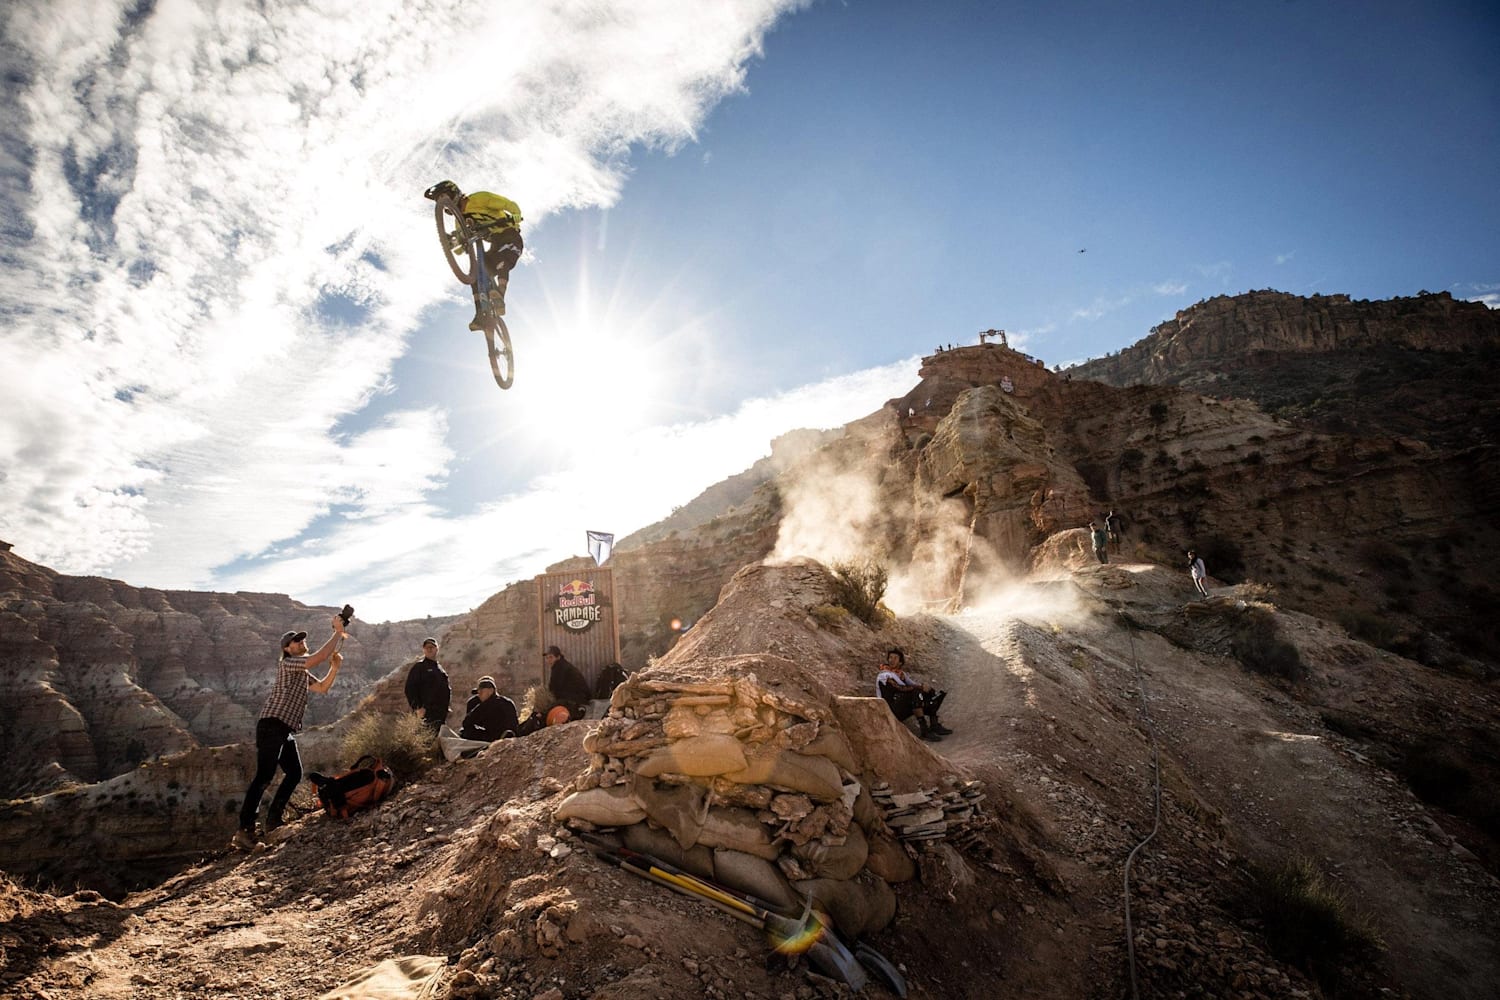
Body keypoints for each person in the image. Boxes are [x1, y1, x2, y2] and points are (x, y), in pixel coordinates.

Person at [235, 616, 347, 849]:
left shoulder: (301, 672)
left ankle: (273, 821)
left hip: (283, 728)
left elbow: (323, 688)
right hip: (271, 725)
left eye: (301, 639)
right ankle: (244, 830)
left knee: (294, 773)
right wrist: (338, 632)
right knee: (264, 776)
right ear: (287, 649)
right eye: (295, 641)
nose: (300, 642)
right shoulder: (289, 663)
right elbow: (318, 657)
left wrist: (334, 669)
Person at [426, 179, 524, 329]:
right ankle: (480, 314)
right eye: (439, 200)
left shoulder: (478, 199)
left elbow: (508, 204)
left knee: (501, 260)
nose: (443, 202)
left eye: (444, 196)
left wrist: (516, 215)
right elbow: (461, 243)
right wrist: (451, 243)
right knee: (477, 274)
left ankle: (499, 297)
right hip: (494, 243)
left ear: (454, 193)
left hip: (509, 235)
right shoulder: (460, 220)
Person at [875, 647, 952, 742]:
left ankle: (934, 724)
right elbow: (900, 688)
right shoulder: (884, 675)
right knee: (915, 693)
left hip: (900, 706)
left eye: (895, 658)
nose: (892, 660)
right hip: (891, 709)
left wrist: (926, 688)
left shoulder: (901, 674)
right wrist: (920, 688)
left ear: (900, 662)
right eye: (890, 657)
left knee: (929, 692)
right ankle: (924, 730)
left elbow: (913, 684)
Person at [404, 638, 451, 735]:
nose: (429, 649)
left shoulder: (439, 669)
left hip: (440, 714)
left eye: (432, 647)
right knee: (424, 740)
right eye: (427, 647)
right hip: (426, 713)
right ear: (423, 650)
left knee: (436, 743)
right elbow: (410, 689)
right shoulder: (419, 667)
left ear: (437, 649)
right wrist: (418, 708)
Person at [459, 676, 519, 742]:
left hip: (494, 736)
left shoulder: (486, 704)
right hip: (505, 735)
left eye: (481, 692)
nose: (479, 695)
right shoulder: (507, 702)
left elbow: (467, 722)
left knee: (466, 732)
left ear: (491, 691)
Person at [544, 645, 590, 720]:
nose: (548, 660)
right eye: (547, 658)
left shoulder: (560, 667)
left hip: (577, 698)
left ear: (558, 657)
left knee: (550, 710)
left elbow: (554, 688)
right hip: (576, 696)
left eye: (551, 657)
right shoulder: (561, 665)